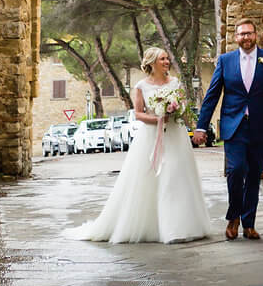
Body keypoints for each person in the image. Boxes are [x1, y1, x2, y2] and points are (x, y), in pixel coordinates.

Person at [65, 47, 213, 244]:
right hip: (151, 137)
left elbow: (183, 109)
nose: (167, 62)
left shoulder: (175, 83)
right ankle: (157, 227)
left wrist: (190, 126)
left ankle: (182, 226)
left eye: (167, 59)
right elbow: (138, 113)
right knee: (152, 178)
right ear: (152, 63)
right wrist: (158, 118)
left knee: (177, 176)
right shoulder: (142, 86)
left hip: (175, 136)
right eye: (162, 59)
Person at [193, 18, 263, 240]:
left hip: (260, 126)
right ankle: (233, 217)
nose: (245, 37)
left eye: (249, 33)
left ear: (256, 35)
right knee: (235, 171)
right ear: (235, 38)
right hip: (234, 126)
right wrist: (201, 126)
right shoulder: (226, 61)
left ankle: (249, 224)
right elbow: (212, 95)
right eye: (241, 34)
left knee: (254, 175)